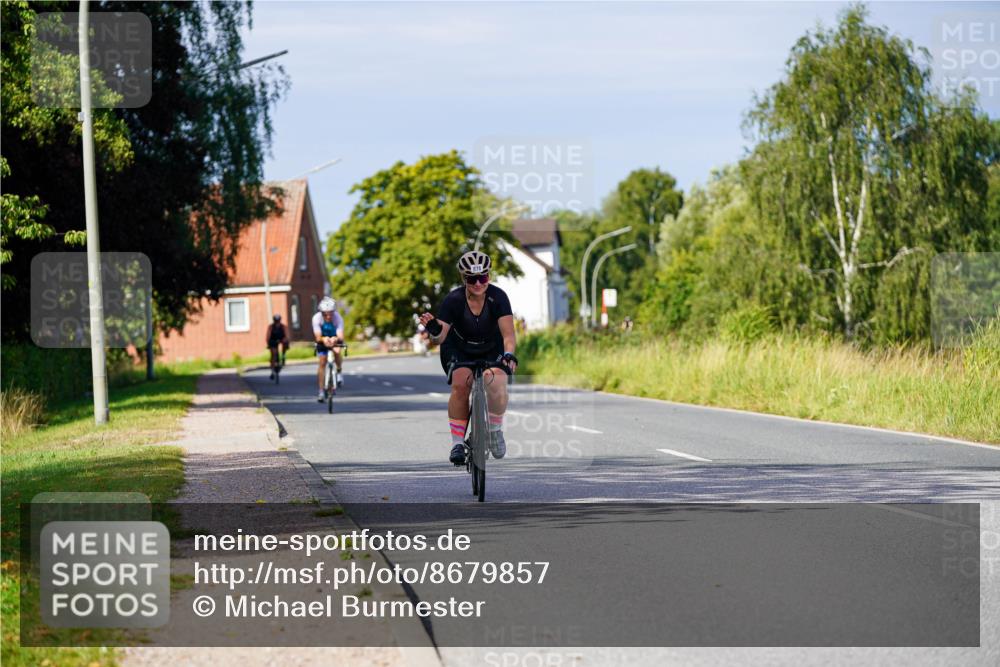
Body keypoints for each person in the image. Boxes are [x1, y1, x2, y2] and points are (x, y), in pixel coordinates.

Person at [419, 250, 517, 466]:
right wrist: (434, 329)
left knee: (497, 381)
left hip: (491, 347)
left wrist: (509, 354)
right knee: (461, 382)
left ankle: (494, 430)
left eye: (483, 277)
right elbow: (440, 337)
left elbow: (508, 335)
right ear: (464, 279)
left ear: (488, 277)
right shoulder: (453, 300)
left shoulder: (498, 297)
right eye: (472, 279)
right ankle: (457, 443)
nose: (478, 283)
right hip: (458, 348)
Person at [313, 296, 345, 401]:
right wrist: (324, 339)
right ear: (321, 313)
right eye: (325, 314)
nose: (328, 316)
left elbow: (340, 335)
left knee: (337, 351)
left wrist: (335, 339)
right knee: (322, 362)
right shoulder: (316, 318)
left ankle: (339, 371)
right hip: (323, 339)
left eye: (330, 313)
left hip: (335, 338)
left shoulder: (338, 318)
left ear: (333, 312)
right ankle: (321, 391)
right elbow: (317, 336)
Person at [265, 314, 289, 379]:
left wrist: (285, 340)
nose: (277, 323)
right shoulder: (271, 327)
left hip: (281, 339)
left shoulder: (283, 327)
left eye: (278, 321)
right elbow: (268, 336)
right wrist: (269, 344)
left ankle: (283, 355)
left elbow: (286, 335)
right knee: (274, 354)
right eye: (276, 321)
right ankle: (272, 371)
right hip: (273, 340)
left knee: (285, 342)